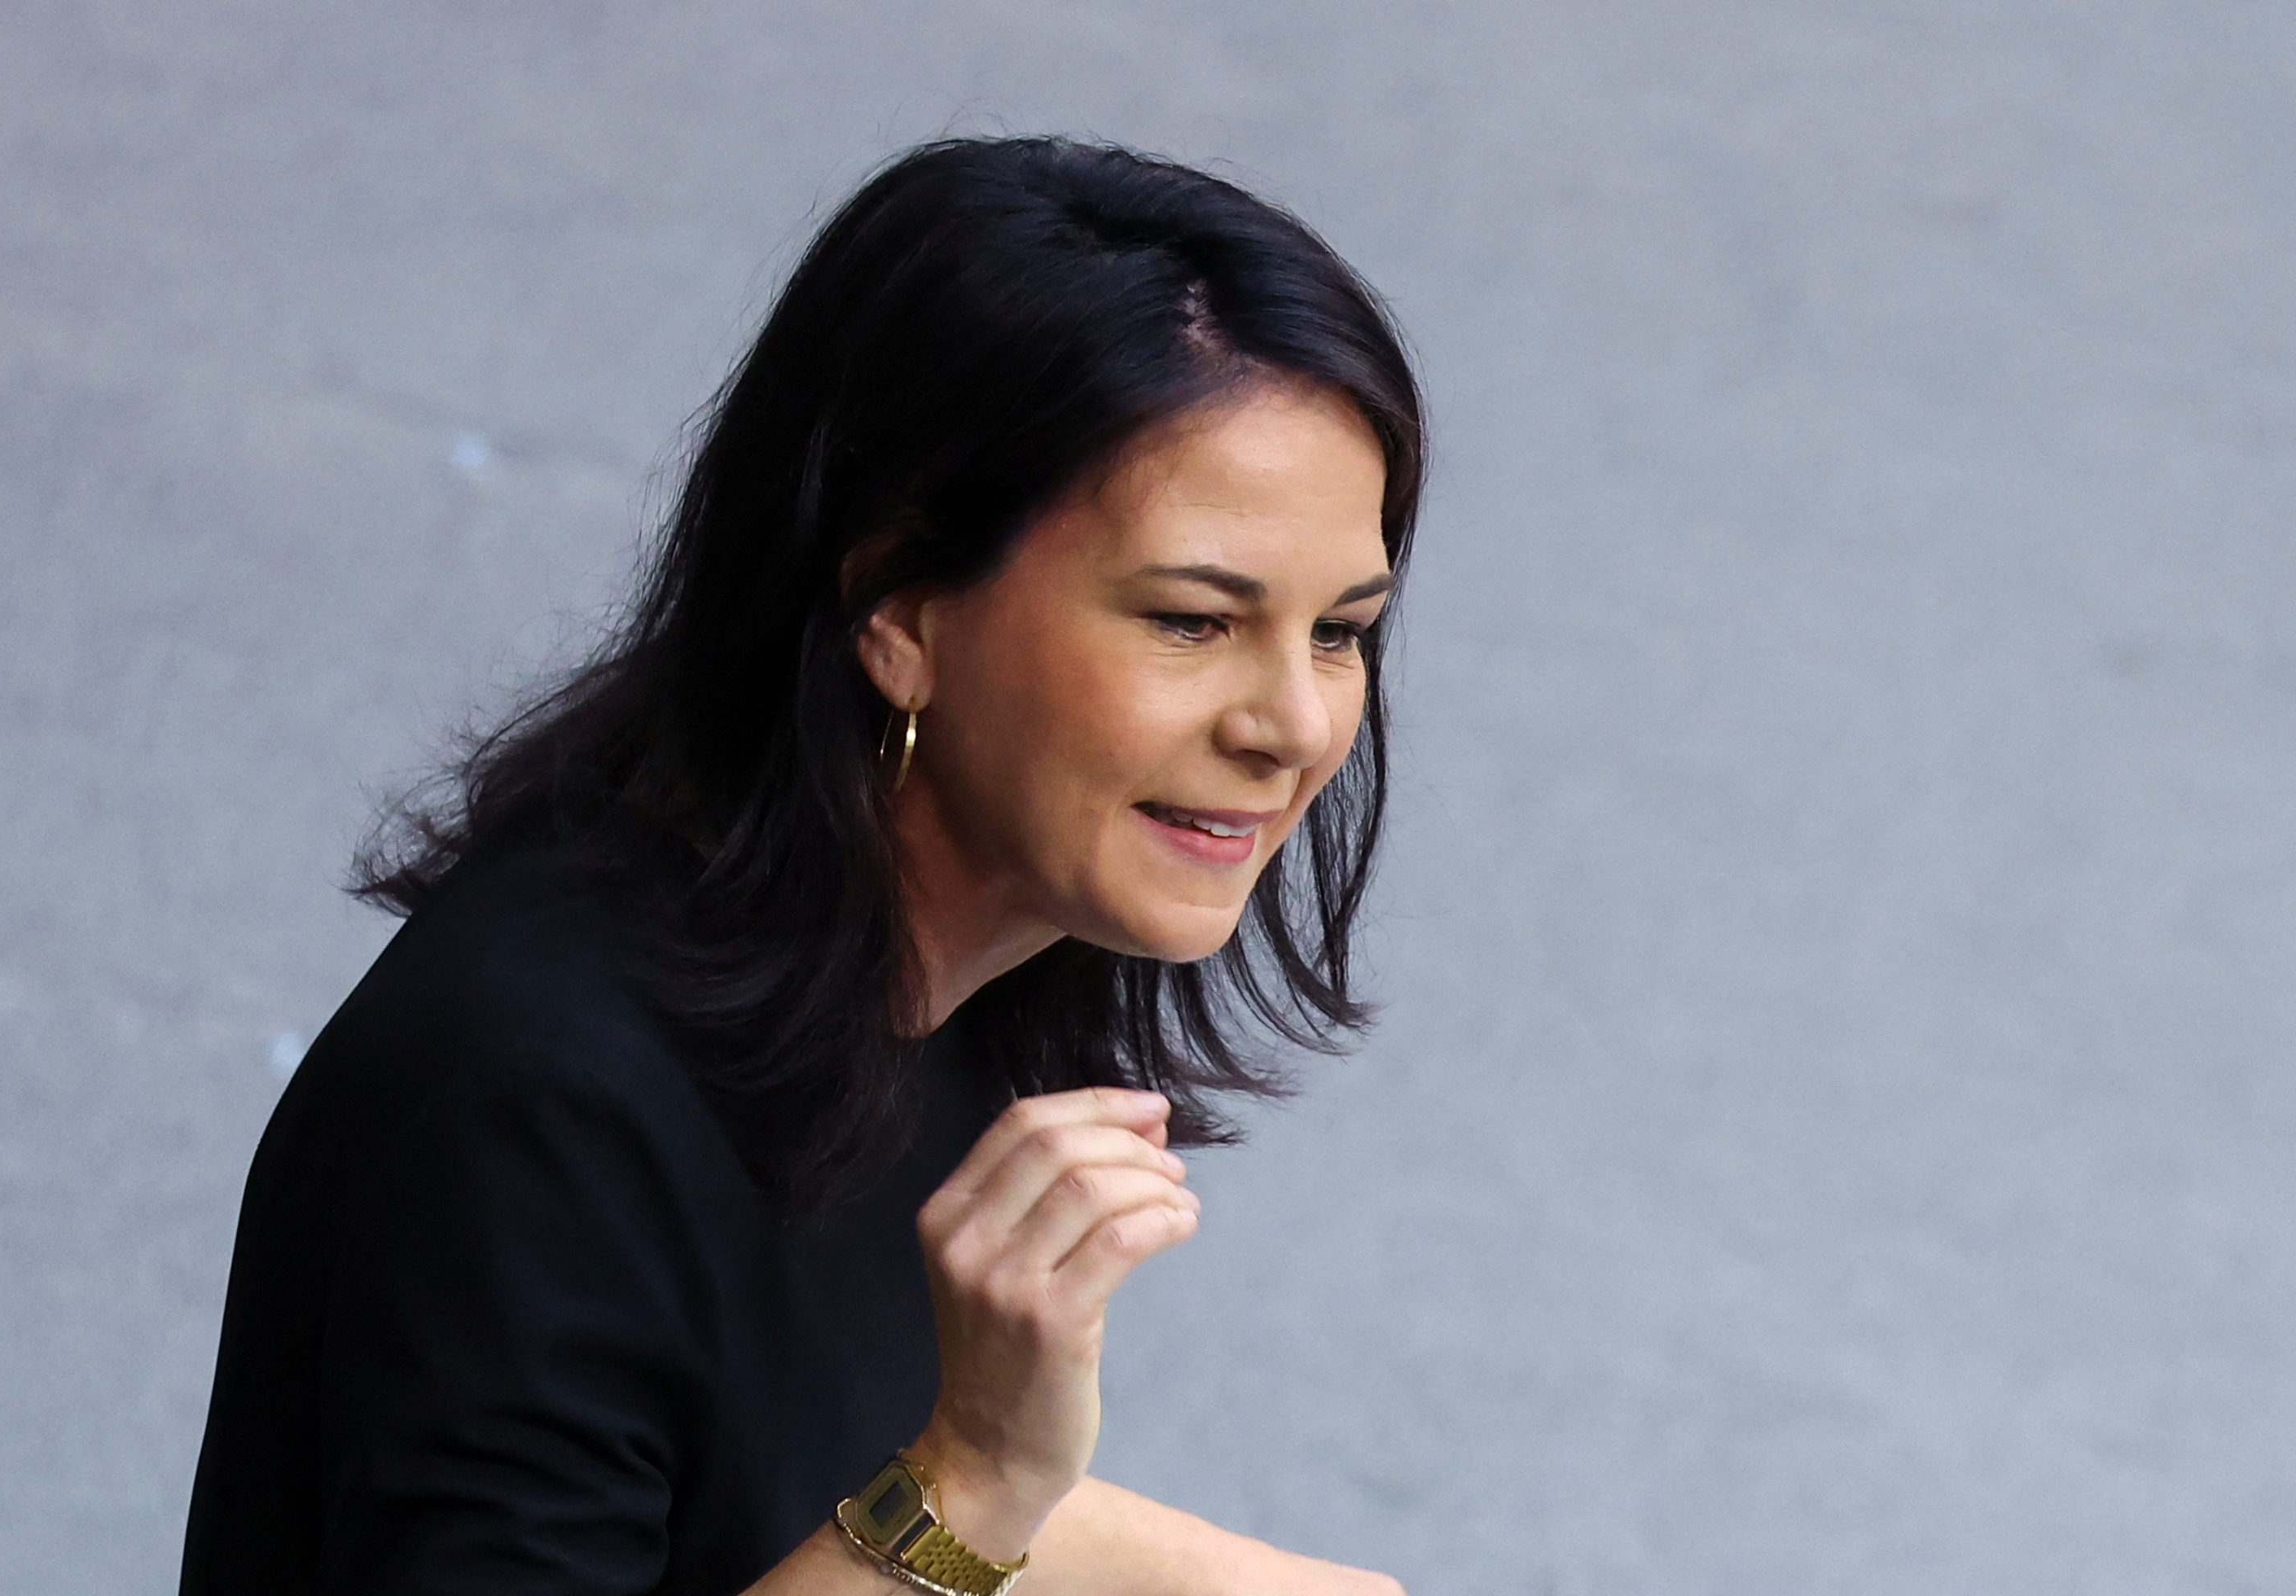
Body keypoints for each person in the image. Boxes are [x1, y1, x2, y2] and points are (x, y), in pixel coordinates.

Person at [181, 135, 1423, 1596]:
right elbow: (925, 1497)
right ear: (898, 612)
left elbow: (775, 1474)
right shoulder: (535, 1105)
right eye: (1190, 621)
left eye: (1339, 631)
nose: (1291, 727)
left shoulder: (939, 958)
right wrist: (975, 1480)